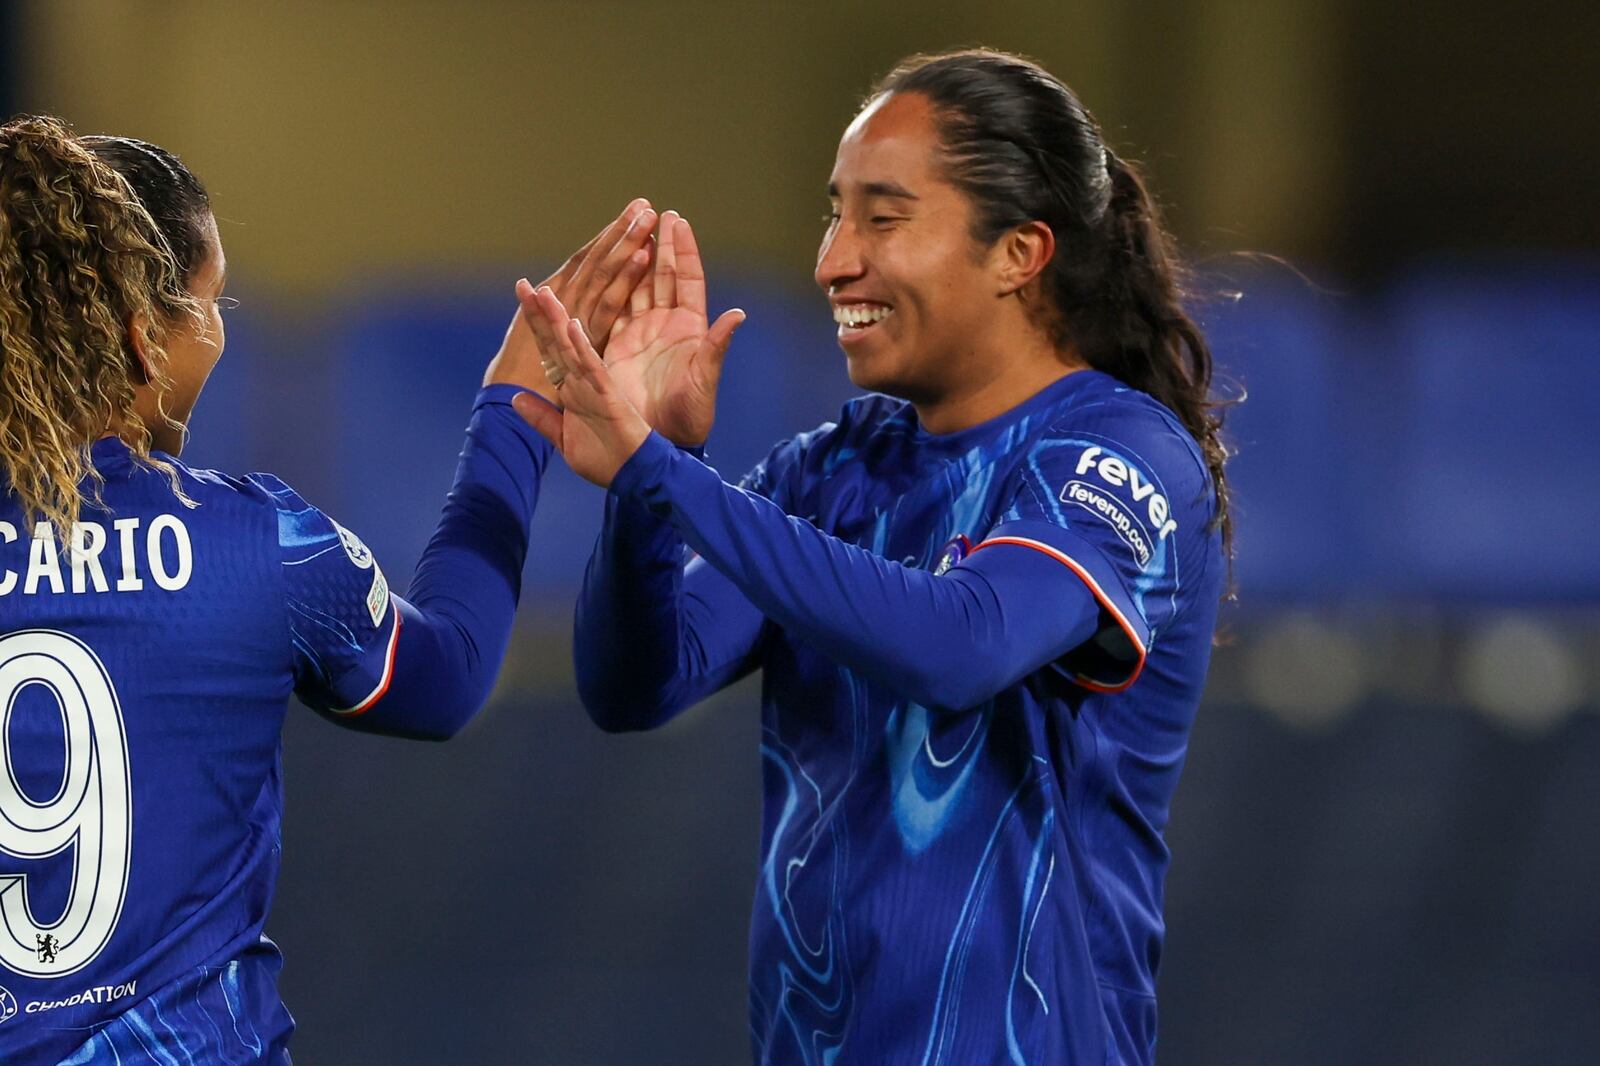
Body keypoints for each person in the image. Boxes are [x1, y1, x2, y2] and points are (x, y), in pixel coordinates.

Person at [520, 48, 1233, 1065]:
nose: (832, 260)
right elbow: (633, 683)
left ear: (1018, 252)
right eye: (834, 213)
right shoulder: (832, 469)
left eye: (882, 218)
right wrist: (650, 478)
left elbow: (963, 643)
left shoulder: (1118, 453)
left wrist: (666, 478)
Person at [0, 114, 654, 1064]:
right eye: (210, 302)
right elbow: (449, 675)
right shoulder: (263, 543)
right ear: (145, 335)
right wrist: (511, 411)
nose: (218, 335)